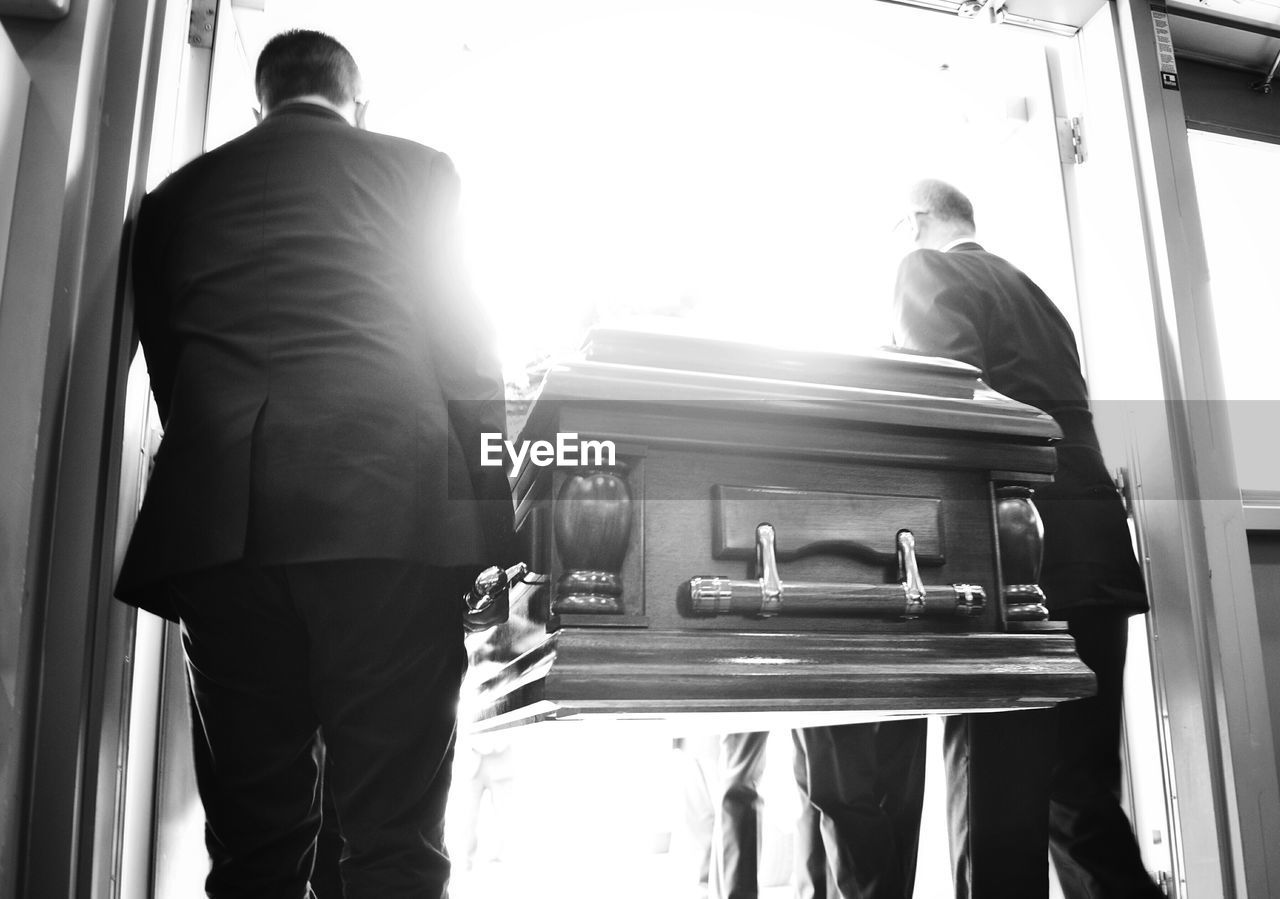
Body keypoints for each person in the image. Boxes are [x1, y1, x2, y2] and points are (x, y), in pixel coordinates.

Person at [114, 29, 516, 899]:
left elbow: (170, 370)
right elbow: (469, 361)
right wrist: (497, 530)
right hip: (390, 512)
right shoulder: (417, 173)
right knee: (392, 837)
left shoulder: (176, 199)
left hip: (223, 527)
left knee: (256, 846)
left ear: (257, 108)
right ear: (358, 104)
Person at [892, 179, 1159, 899]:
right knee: (1082, 797)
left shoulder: (927, 270)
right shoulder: (1037, 294)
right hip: (1096, 556)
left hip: (1014, 566)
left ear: (916, 221)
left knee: (994, 814)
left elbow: (943, 402)